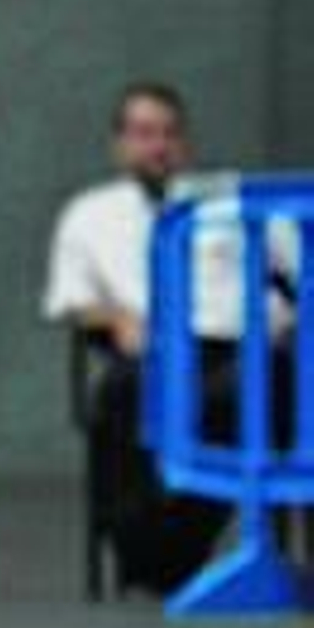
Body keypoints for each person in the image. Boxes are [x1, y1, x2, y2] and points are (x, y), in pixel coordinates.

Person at [43, 82, 276, 593]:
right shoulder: (89, 215)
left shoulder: (225, 202)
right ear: (120, 143)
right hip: (150, 353)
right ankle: (145, 554)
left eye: (169, 133)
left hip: (238, 349)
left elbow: (293, 271)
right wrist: (114, 318)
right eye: (145, 133)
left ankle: (182, 555)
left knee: (260, 394)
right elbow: (73, 302)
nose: (159, 145)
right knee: (122, 396)